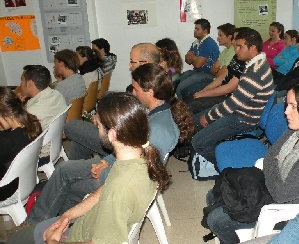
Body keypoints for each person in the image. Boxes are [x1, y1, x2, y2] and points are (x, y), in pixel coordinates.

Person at [25, 63, 193, 226]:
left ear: (149, 91)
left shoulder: (157, 128)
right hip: (119, 167)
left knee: (67, 180)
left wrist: (106, 169)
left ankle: (38, 224)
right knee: (65, 167)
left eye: (135, 89)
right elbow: (134, 150)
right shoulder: (159, 113)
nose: (132, 93)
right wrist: (106, 161)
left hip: (117, 181)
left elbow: (137, 171)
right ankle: (47, 218)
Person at [8, 92, 170, 244]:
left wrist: (52, 241)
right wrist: (66, 216)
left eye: (98, 125)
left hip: (80, 237)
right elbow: (102, 192)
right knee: (21, 235)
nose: (96, 127)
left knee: (16, 240)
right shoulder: (137, 158)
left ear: (112, 134)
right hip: (85, 222)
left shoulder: (120, 189)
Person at [205, 78, 299, 243]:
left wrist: (273, 165)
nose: (286, 112)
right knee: (213, 195)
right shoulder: (298, 129)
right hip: (271, 189)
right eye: (287, 104)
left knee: (216, 220)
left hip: (287, 211)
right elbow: (271, 156)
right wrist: (274, 165)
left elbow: (281, 193)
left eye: (293, 106)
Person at [64, 43, 163, 159]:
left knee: (71, 126)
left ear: (144, 63)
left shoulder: (147, 90)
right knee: (80, 141)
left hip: (123, 141)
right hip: (123, 130)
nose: (129, 66)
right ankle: (78, 171)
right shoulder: (157, 80)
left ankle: (97, 165)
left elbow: (129, 118)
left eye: (132, 61)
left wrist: (103, 119)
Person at [192, 28, 274, 164]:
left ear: (252, 48)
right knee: (195, 121)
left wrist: (209, 116)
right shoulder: (254, 64)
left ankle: (228, 167)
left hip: (244, 119)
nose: (236, 50)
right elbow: (235, 101)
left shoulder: (255, 71)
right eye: (236, 46)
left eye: (240, 47)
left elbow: (234, 103)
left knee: (198, 142)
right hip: (239, 111)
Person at [186, 27, 247, 114]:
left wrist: (204, 93)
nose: (233, 42)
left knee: (193, 104)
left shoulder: (245, 60)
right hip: (221, 88)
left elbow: (228, 87)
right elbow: (220, 75)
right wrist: (204, 91)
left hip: (231, 102)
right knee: (190, 95)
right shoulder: (236, 57)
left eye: (236, 40)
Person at [0, 87, 42, 201]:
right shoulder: (33, 123)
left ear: (6, 114)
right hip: (24, 179)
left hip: (7, 188)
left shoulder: (7, 141)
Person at [19, 65, 67, 159]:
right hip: (56, 145)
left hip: (40, 154)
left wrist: (17, 108)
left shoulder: (32, 111)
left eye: (22, 80)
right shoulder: (57, 94)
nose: (20, 84)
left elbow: (17, 133)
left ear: (30, 84)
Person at [175, 18, 220, 99]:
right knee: (177, 79)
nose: (194, 31)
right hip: (197, 71)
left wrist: (193, 58)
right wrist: (195, 59)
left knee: (180, 88)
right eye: (195, 28)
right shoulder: (196, 42)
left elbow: (198, 64)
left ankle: (180, 108)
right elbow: (187, 60)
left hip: (207, 74)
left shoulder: (208, 43)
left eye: (197, 29)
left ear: (205, 31)